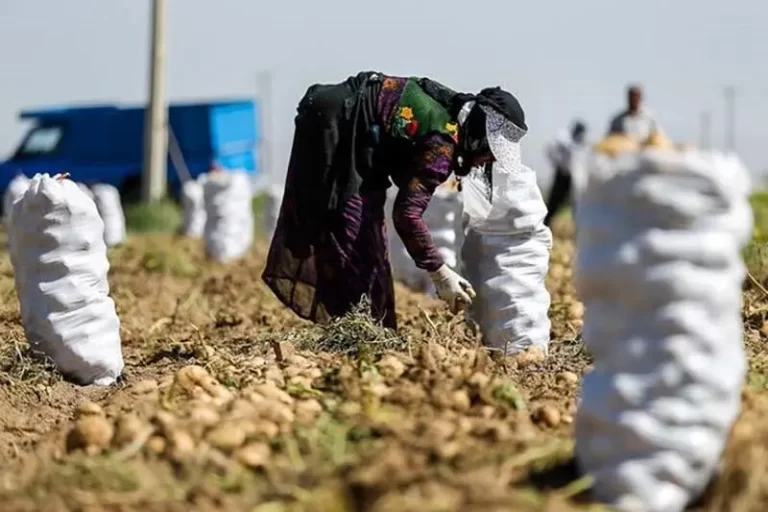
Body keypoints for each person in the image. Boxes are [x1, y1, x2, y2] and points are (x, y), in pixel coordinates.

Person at [262, 71, 528, 329]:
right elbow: (406, 215)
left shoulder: (451, 110)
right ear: (480, 136)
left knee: (365, 232)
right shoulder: (441, 144)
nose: (487, 160)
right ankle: (356, 331)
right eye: (489, 152)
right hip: (339, 126)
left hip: (349, 125)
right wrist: (439, 272)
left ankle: (364, 327)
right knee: (354, 236)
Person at [543, 120, 587, 226]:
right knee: (554, 202)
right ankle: (545, 226)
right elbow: (549, 150)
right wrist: (557, 164)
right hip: (561, 175)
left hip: (574, 178)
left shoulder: (581, 142)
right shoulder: (563, 138)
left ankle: (577, 228)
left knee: (577, 204)